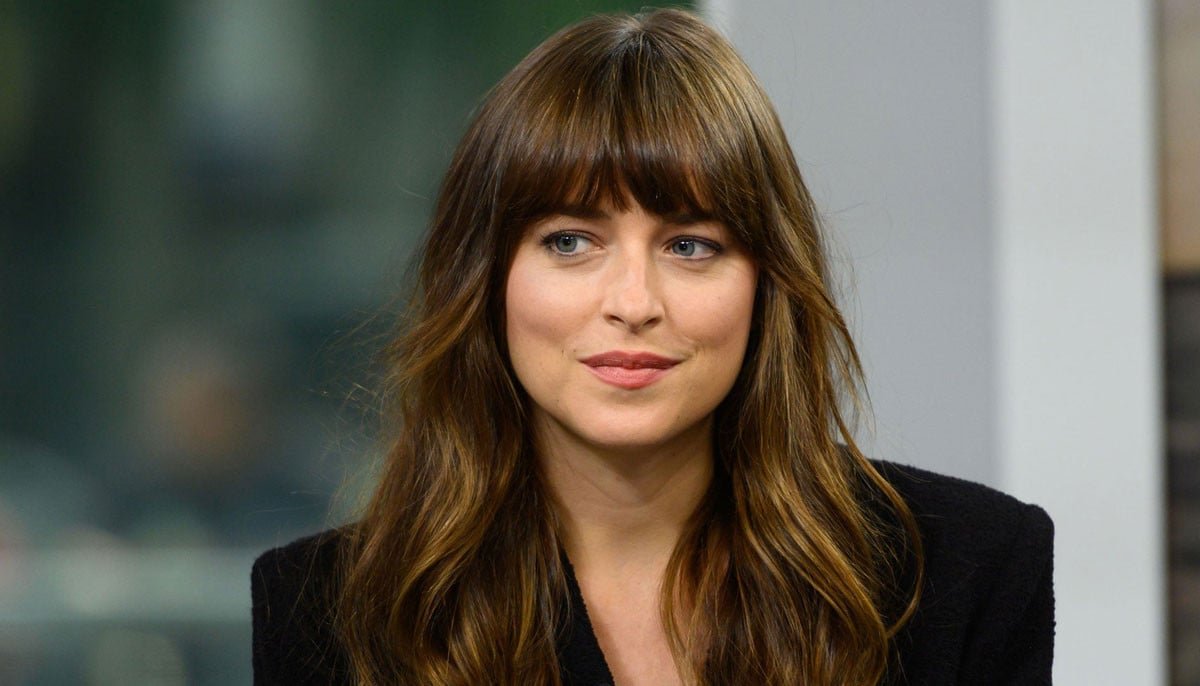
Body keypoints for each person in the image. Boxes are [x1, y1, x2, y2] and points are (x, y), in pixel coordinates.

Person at [251, 8, 1053, 686]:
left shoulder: (966, 573)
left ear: (767, 282)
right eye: (570, 242)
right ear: (485, 279)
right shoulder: (327, 615)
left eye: (690, 246)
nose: (633, 304)